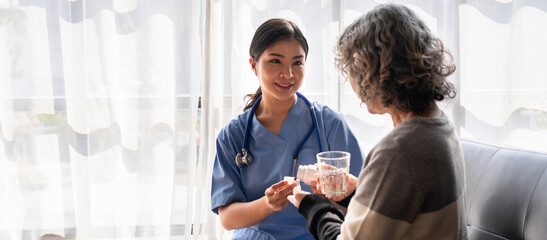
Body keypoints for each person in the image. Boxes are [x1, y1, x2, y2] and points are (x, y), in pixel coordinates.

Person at [288, 3, 468, 240]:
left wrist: (311, 205)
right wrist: (361, 191)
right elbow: (408, 208)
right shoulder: (440, 127)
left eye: (352, 70)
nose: (351, 83)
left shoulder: (398, 152)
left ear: (373, 72)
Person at [210, 18, 364, 240]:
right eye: (275, 61)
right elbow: (227, 217)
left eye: (297, 63)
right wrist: (268, 203)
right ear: (253, 65)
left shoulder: (330, 124)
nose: (288, 74)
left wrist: (336, 195)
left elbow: (364, 202)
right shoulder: (233, 135)